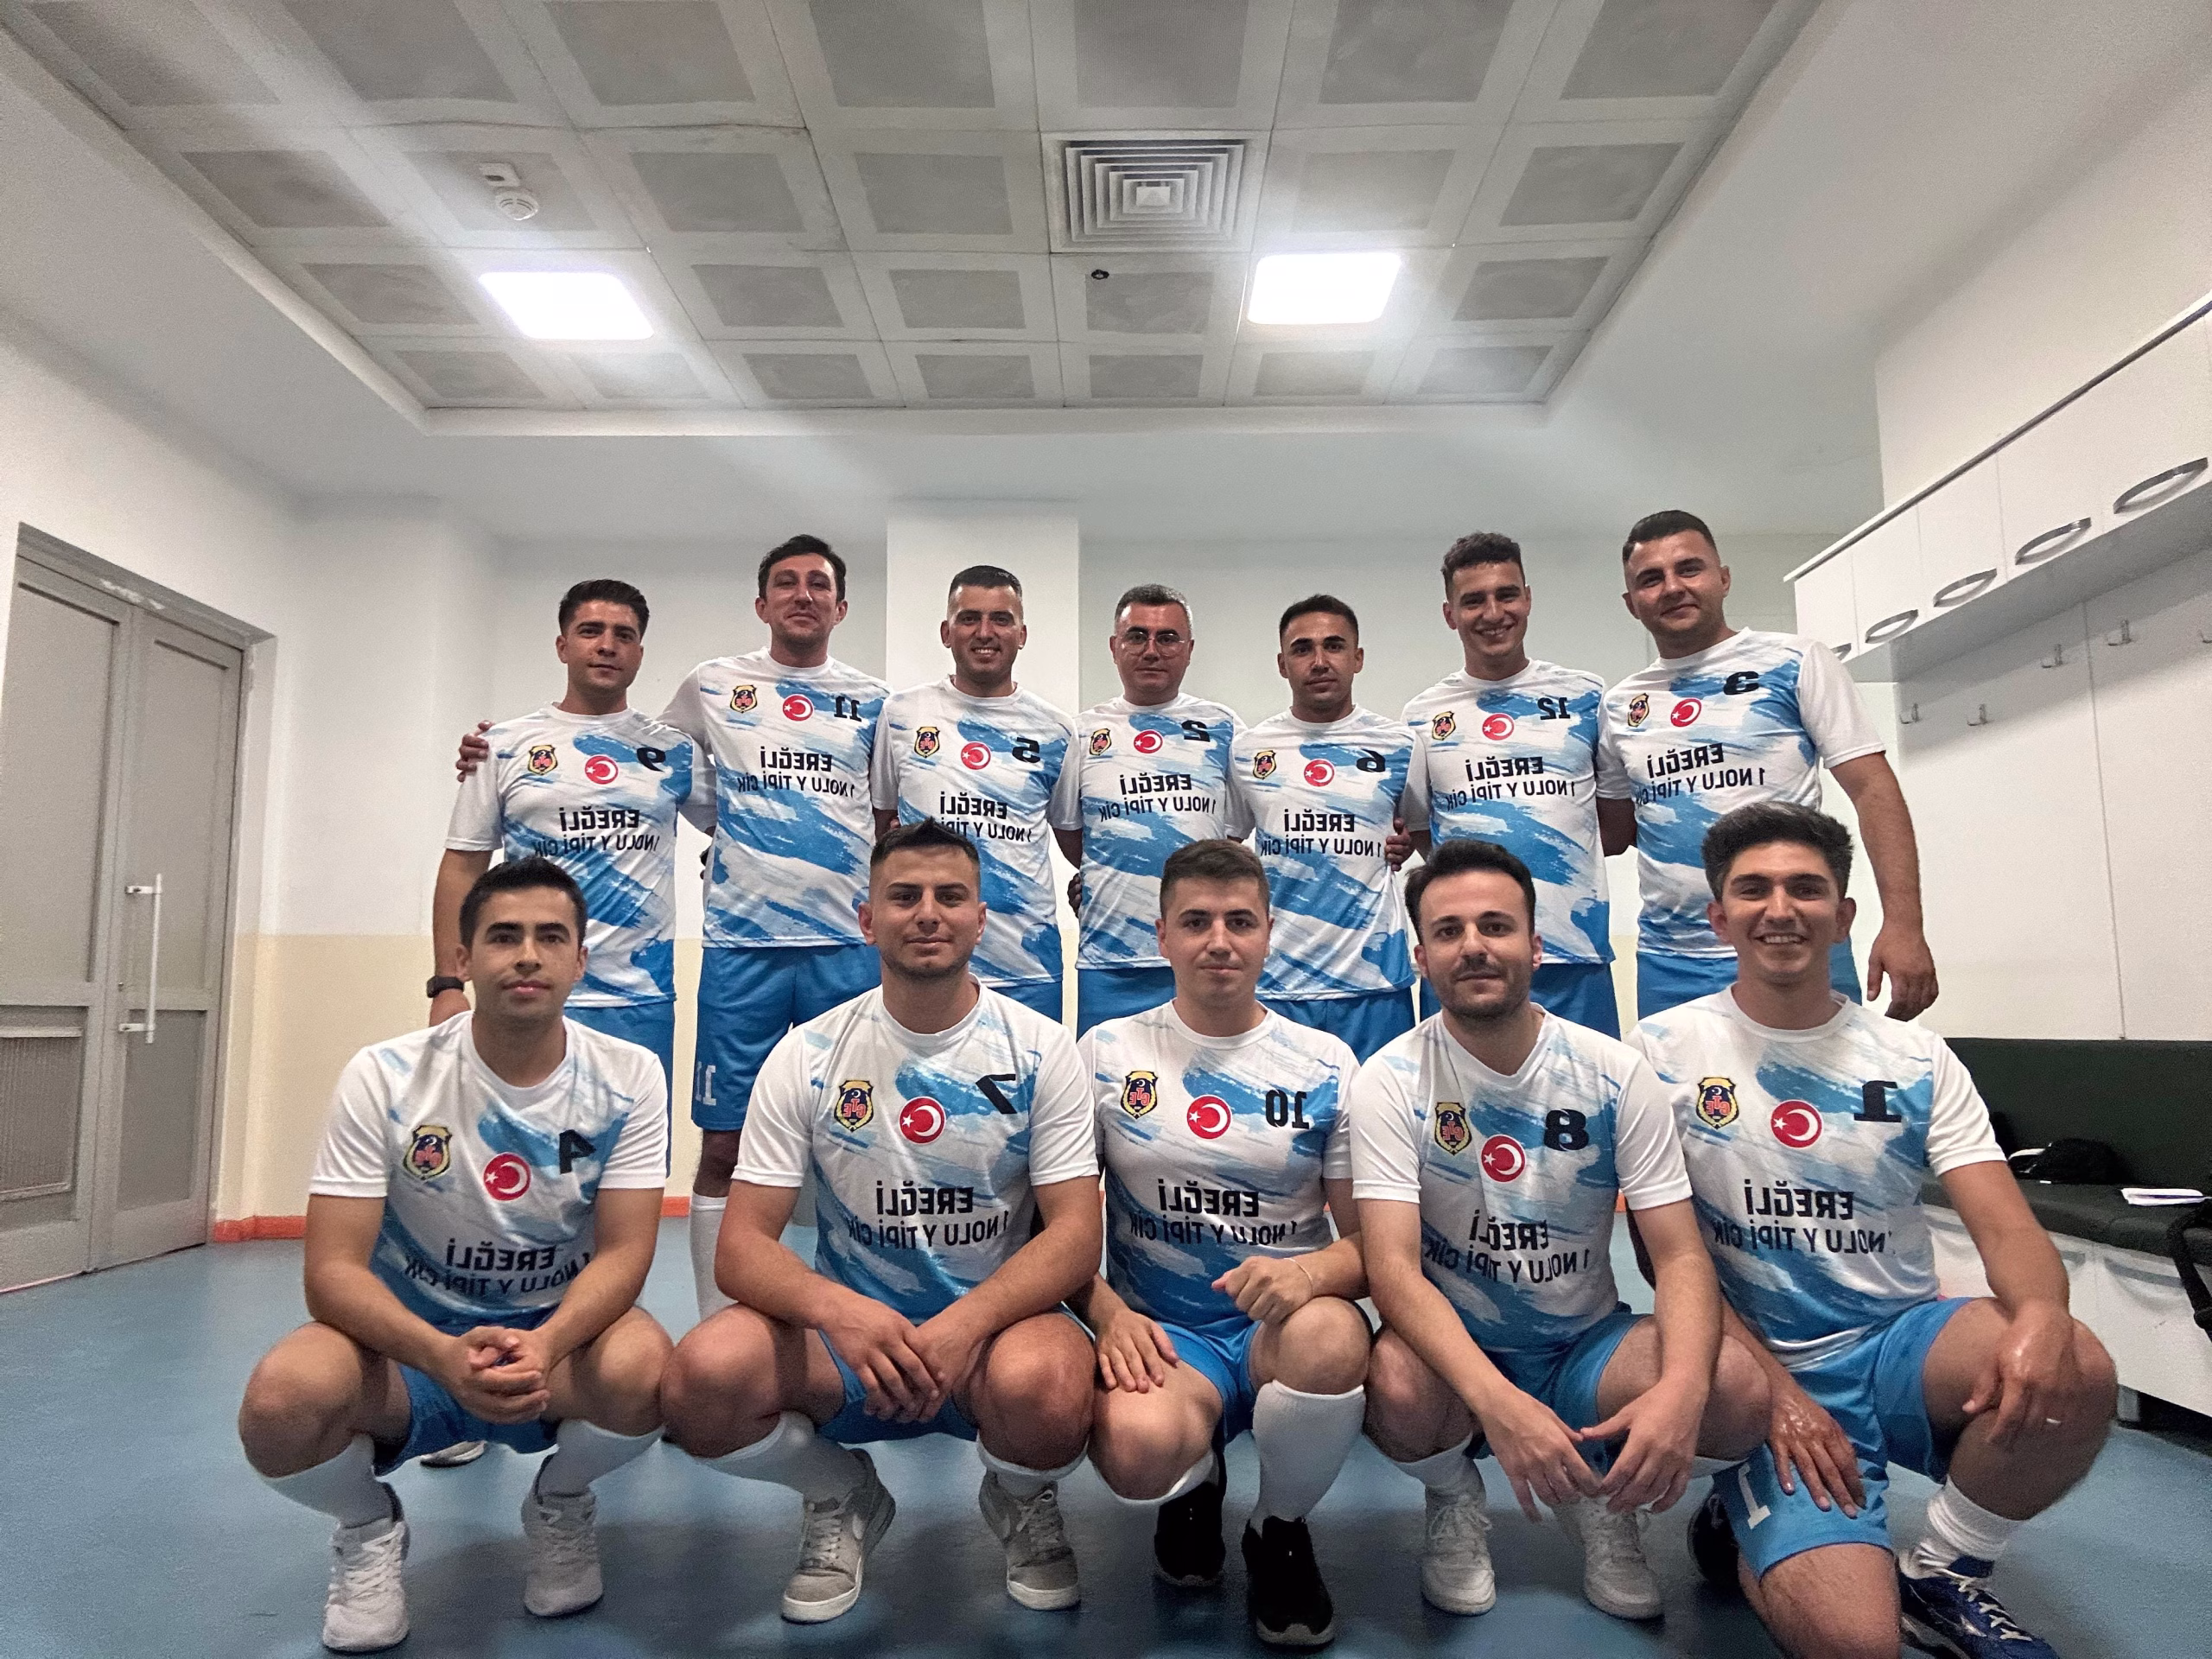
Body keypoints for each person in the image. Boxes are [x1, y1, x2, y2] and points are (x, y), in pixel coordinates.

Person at [1630, 803, 2115, 1659]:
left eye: (1805, 888)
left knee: (2075, 1360)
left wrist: (2043, 1316)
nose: (1780, 909)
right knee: (1855, 1643)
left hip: (1898, 1348)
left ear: (1843, 914)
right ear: (1719, 918)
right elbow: (1665, 1259)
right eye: (1753, 890)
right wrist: (1777, 1397)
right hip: (1755, 1367)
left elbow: (2007, 1229)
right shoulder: (1659, 1053)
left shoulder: (1914, 1058)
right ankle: (1745, 1511)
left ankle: (1944, 1571)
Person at [659, 819, 1101, 1624]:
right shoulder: (808, 1055)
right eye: (904, 897)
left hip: (991, 1336)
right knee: (702, 1381)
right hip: (851, 1345)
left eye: (949, 897)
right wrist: (844, 1313)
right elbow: (743, 1247)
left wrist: (966, 1324)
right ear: (867, 920)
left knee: (1049, 1390)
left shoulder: (1041, 1050)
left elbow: (1075, 1234)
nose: (927, 913)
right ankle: (841, 1493)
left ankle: (1018, 1494)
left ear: (981, 919)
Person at [237, 858, 671, 1654]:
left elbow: (626, 1254)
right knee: (281, 1402)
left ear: (581, 959)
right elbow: (331, 1272)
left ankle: (560, 1500)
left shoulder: (629, 1076)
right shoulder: (384, 1076)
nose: (528, 956)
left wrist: (547, 1343)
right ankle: (367, 1525)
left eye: (551, 937)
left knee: (648, 1369)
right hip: (411, 1351)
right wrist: (439, 1355)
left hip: (551, 1352)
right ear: (464, 959)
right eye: (504, 937)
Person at [1351, 837, 1770, 1623]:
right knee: (1395, 1382)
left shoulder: (1614, 1072)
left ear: (1536, 945)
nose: (1474, 946)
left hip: (1584, 1347)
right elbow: (1393, 1271)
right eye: (1449, 931)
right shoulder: (1389, 1080)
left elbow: (1679, 1255)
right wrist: (1496, 1403)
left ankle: (1606, 1495)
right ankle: (1453, 1494)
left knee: (1736, 1388)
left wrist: (1682, 1392)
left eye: (1495, 926)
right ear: (1421, 958)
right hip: (1458, 1355)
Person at [1077, 838, 1368, 1648]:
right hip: (1164, 1336)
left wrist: (1312, 1274)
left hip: (1282, 1327)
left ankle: (1279, 1527)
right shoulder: (1106, 1054)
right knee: (1138, 1452)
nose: (1219, 941)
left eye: (1240, 921)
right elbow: (1056, 1225)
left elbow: (1372, 1245)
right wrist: (1106, 1314)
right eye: (1196, 921)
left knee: (1333, 1339)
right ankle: (1194, 1483)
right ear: (1162, 935)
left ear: (1270, 932)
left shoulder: (1324, 1063)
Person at [1597, 509, 1938, 1022]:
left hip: (1797, 941)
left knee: (1826, 1079)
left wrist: (1904, 926)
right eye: (1651, 579)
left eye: (1689, 569)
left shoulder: (1796, 662)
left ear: (1723, 577)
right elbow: (1616, 832)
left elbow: (1872, 789)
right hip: (1673, 962)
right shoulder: (1621, 705)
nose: (1672, 587)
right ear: (1631, 603)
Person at [433, 578, 698, 1082]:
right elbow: (463, 866)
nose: (607, 645)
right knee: (515, 1127)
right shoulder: (502, 746)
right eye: (590, 631)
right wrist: (447, 984)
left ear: (640, 653)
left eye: (623, 635)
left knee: (633, 1134)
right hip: (524, 986)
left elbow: (739, 821)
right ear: (562, 646)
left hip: (639, 997)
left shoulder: (674, 751)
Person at [1402, 532, 1618, 1036]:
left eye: (1506, 595)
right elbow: (1424, 836)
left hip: (1575, 954)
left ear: (1528, 598)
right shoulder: (1422, 716)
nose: (1493, 613)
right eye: (1473, 601)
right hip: (1466, 963)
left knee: (1589, 1084)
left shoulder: (1585, 695)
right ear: (1450, 614)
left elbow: (1614, 825)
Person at [872, 564, 1080, 1020]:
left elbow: (1075, 842)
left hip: (1028, 963)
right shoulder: (902, 714)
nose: (985, 633)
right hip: (925, 960)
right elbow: (881, 825)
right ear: (946, 632)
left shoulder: (1057, 729)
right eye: (969, 618)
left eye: (1001, 619)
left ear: (1022, 635)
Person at [1233, 594, 1416, 1060]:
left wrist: (1403, 845)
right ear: (1282, 664)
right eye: (1302, 649)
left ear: (1358, 658)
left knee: (1385, 1105)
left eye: (1334, 646)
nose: (1319, 661)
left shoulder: (1400, 745)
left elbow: (1424, 834)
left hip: (1376, 984)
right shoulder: (1249, 750)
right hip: (1279, 983)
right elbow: (1225, 849)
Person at [1070, 583, 1249, 1034]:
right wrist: (1104, 873)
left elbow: (1236, 833)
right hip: (1111, 960)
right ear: (1115, 647)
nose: (1152, 650)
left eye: (1167, 638)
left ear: (1189, 649)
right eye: (1137, 636)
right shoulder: (1082, 733)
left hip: (1203, 954)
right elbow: (1071, 831)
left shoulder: (1224, 728)